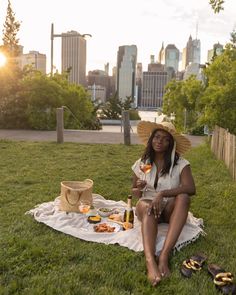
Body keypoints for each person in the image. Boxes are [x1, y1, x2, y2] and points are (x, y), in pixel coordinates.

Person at [131, 121, 196, 286]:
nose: (159, 141)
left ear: (170, 144)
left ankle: (164, 256)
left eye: (165, 139)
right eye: (157, 137)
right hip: (146, 205)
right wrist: (138, 187)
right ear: (151, 139)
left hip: (167, 209)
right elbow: (135, 192)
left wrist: (162, 193)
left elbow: (190, 188)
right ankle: (150, 261)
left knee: (183, 197)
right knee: (147, 206)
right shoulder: (143, 162)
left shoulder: (180, 164)